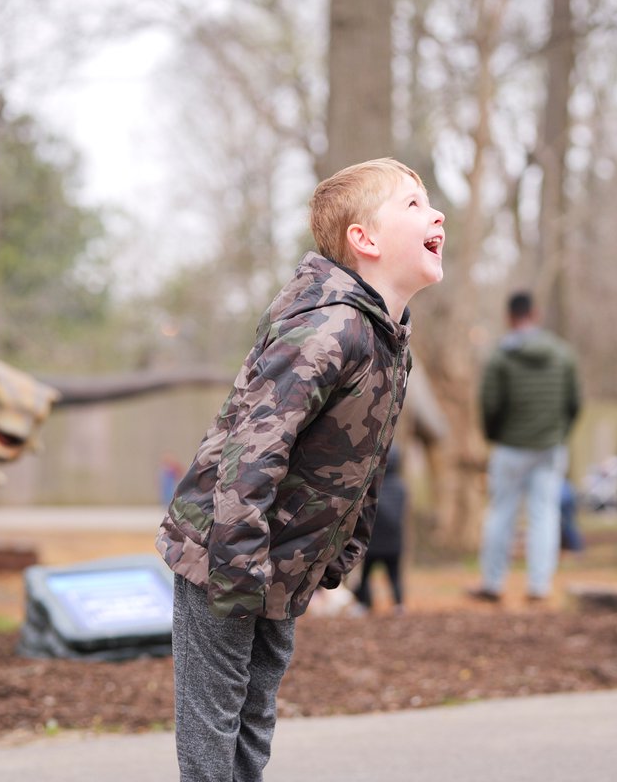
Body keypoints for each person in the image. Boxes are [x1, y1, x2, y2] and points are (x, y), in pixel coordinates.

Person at [155, 157, 444, 782]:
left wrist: (340, 554)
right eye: (414, 205)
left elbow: (367, 461)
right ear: (363, 241)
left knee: (254, 720)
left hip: (282, 564)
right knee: (214, 733)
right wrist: (238, 576)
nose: (436, 214)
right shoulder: (327, 330)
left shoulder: (388, 339)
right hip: (224, 555)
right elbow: (251, 453)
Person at [468, 291, 580, 604]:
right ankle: (539, 586)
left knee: (501, 512)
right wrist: (559, 433)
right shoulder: (562, 353)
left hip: (510, 448)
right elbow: (575, 403)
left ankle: (492, 583)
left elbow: (488, 404)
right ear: (536, 313)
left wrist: (496, 435)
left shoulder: (500, 356)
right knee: (544, 514)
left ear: (509, 316)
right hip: (550, 447)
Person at [354, 444, 407, 613]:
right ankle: (399, 604)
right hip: (394, 544)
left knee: (366, 576)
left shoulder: (371, 487)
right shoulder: (401, 488)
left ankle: (365, 604)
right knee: (394, 576)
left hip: (372, 542)